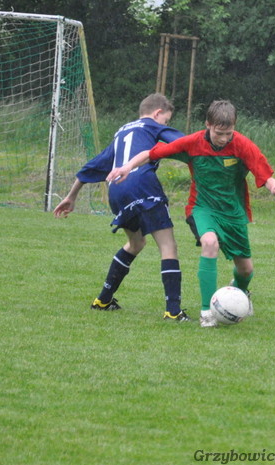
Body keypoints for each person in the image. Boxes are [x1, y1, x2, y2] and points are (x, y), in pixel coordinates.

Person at [107, 100, 275, 327]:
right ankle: (207, 313)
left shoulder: (242, 145)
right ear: (208, 125)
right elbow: (150, 153)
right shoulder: (193, 143)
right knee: (209, 243)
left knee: (246, 269)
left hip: (233, 213)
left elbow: (263, 171)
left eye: (228, 133)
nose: (223, 139)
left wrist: (273, 186)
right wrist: (126, 167)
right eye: (219, 133)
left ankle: (239, 293)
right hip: (202, 208)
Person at [53, 93, 191, 322]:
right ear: (157, 113)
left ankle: (103, 300)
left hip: (116, 190)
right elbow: (187, 143)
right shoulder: (153, 126)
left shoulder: (122, 131)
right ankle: (173, 311)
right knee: (168, 246)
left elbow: (93, 166)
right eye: (166, 120)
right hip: (143, 184)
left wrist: (71, 196)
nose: (165, 124)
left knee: (136, 243)